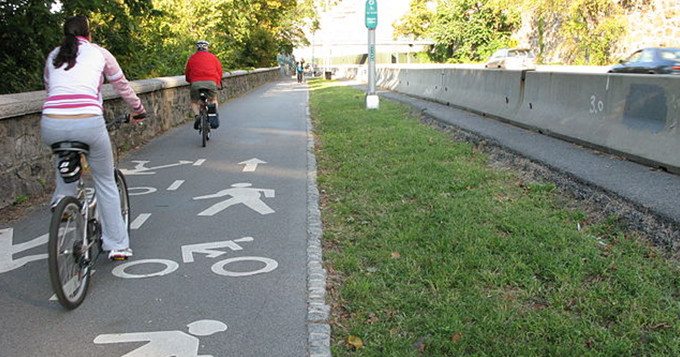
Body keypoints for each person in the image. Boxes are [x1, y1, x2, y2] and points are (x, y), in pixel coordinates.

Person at [41, 15, 146, 261]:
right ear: (89, 34)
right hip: (88, 120)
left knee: (63, 152)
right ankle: (118, 245)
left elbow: (49, 89)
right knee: (105, 181)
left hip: (51, 122)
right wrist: (138, 109)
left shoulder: (54, 55)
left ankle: (62, 202)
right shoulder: (99, 53)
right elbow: (121, 85)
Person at [185, 40, 223, 130]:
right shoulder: (213, 58)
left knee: (194, 102)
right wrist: (217, 82)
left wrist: (190, 81)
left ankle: (197, 115)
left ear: (197, 48)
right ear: (207, 48)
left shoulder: (192, 58)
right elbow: (219, 72)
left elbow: (187, 73)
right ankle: (212, 114)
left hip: (196, 83)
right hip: (211, 82)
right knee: (213, 99)